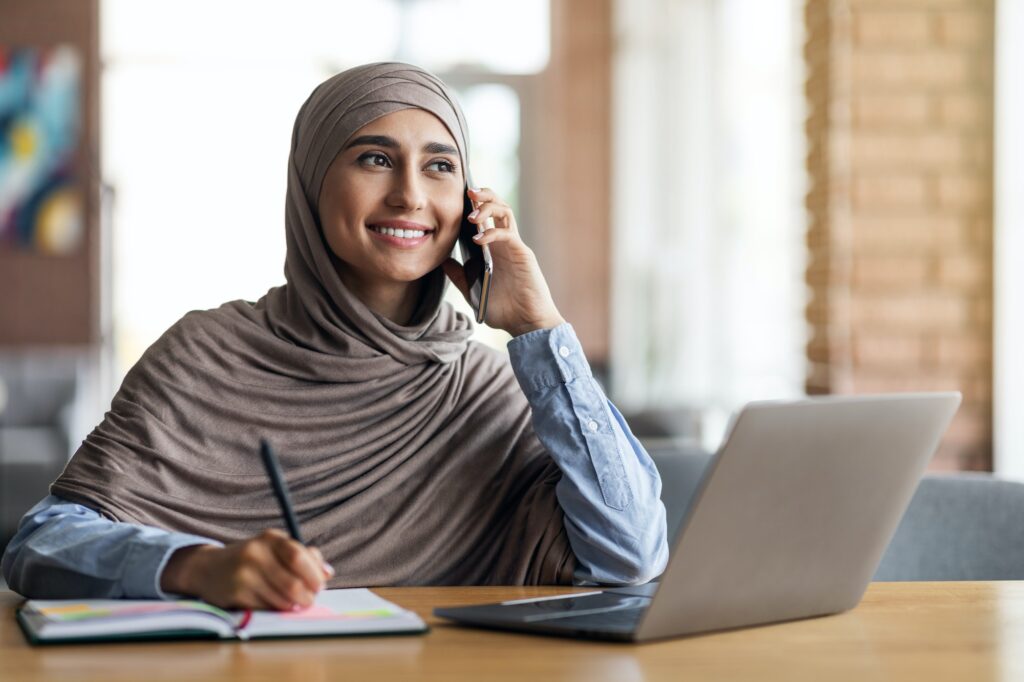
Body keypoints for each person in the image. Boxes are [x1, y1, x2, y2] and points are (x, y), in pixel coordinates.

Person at [1, 63, 668, 611]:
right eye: (375, 158)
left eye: (439, 167)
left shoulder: (488, 388)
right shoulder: (206, 353)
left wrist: (539, 327)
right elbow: (41, 545)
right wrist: (196, 568)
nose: (409, 195)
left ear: (467, 202)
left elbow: (631, 555)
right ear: (312, 183)